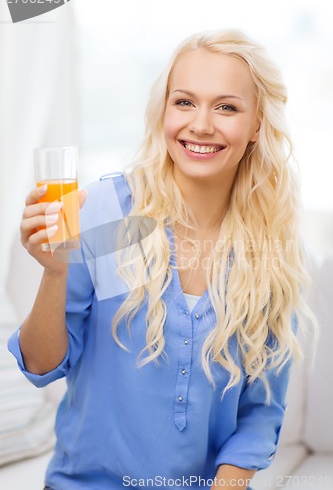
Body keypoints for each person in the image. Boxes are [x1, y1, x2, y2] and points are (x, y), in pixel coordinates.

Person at [8, 29, 316, 490]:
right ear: (164, 111)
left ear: (257, 125)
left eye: (227, 107)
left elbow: (259, 415)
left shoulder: (273, 249)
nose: (201, 124)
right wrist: (55, 273)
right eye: (185, 102)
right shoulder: (108, 212)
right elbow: (40, 364)